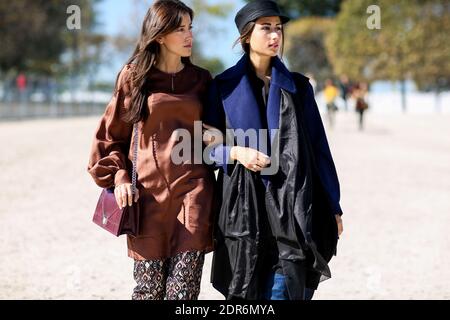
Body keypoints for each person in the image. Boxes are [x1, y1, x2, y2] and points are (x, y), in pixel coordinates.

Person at [203, 0, 344, 301]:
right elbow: (206, 152)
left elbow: (320, 149)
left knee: (286, 287)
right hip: (243, 208)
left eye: (278, 28)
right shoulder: (222, 87)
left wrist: (334, 206)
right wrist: (236, 153)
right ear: (245, 36)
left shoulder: (299, 87)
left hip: (293, 204)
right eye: (265, 28)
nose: (275, 36)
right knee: (245, 291)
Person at [87, 0, 215, 300]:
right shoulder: (133, 76)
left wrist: (219, 138)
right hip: (146, 196)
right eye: (180, 29)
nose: (189, 36)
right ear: (159, 35)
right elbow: (110, 137)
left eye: (190, 28)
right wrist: (119, 179)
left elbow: (215, 132)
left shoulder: (201, 80)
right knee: (149, 291)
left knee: (183, 292)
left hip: (194, 191)